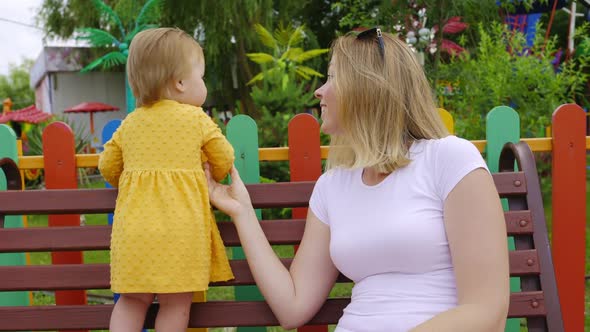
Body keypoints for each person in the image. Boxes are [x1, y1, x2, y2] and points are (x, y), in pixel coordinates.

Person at [205, 28, 509, 332]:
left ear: (368, 86)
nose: (319, 91)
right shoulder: (333, 187)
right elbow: (293, 307)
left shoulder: (448, 160)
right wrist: (242, 211)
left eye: (333, 77)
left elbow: (485, 311)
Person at [98, 27, 235, 332]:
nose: (204, 84)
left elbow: (108, 167)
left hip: (134, 236)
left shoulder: (129, 124)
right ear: (181, 83)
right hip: (181, 235)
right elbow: (224, 159)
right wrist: (211, 173)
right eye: (201, 76)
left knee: (131, 302)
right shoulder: (197, 119)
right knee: (176, 305)